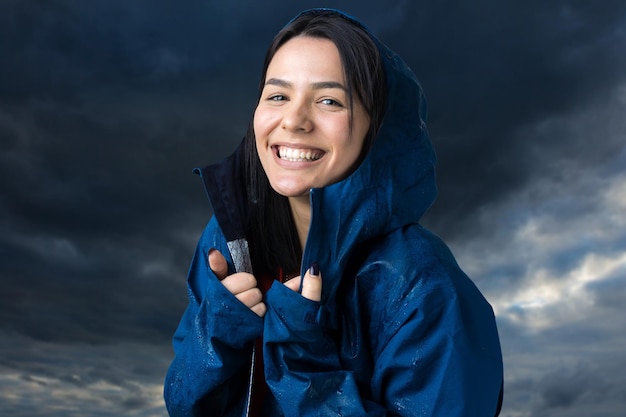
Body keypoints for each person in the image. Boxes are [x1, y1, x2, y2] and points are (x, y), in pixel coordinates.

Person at [164, 8, 503, 417]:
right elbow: (183, 405)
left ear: (377, 126)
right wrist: (217, 338)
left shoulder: (423, 283)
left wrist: (305, 365)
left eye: (329, 100)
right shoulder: (228, 241)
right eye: (277, 95)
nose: (294, 120)